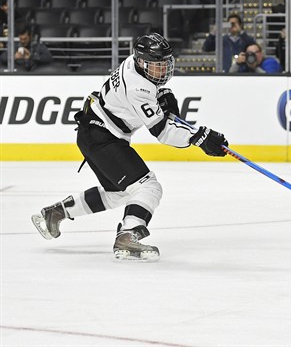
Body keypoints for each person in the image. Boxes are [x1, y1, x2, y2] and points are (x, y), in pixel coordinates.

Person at [30, 33, 228, 261]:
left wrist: (163, 96)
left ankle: (55, 213)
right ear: (143, 63)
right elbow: (163, 132)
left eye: (165, 65)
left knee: (119, 194)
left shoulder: (134, 65)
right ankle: (127, 235)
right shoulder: (139, 88)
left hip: (94, 132)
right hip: (102, 137)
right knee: (149, 188)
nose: (162, 71)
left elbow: (154, 98)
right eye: (157, 66)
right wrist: (199, 137)